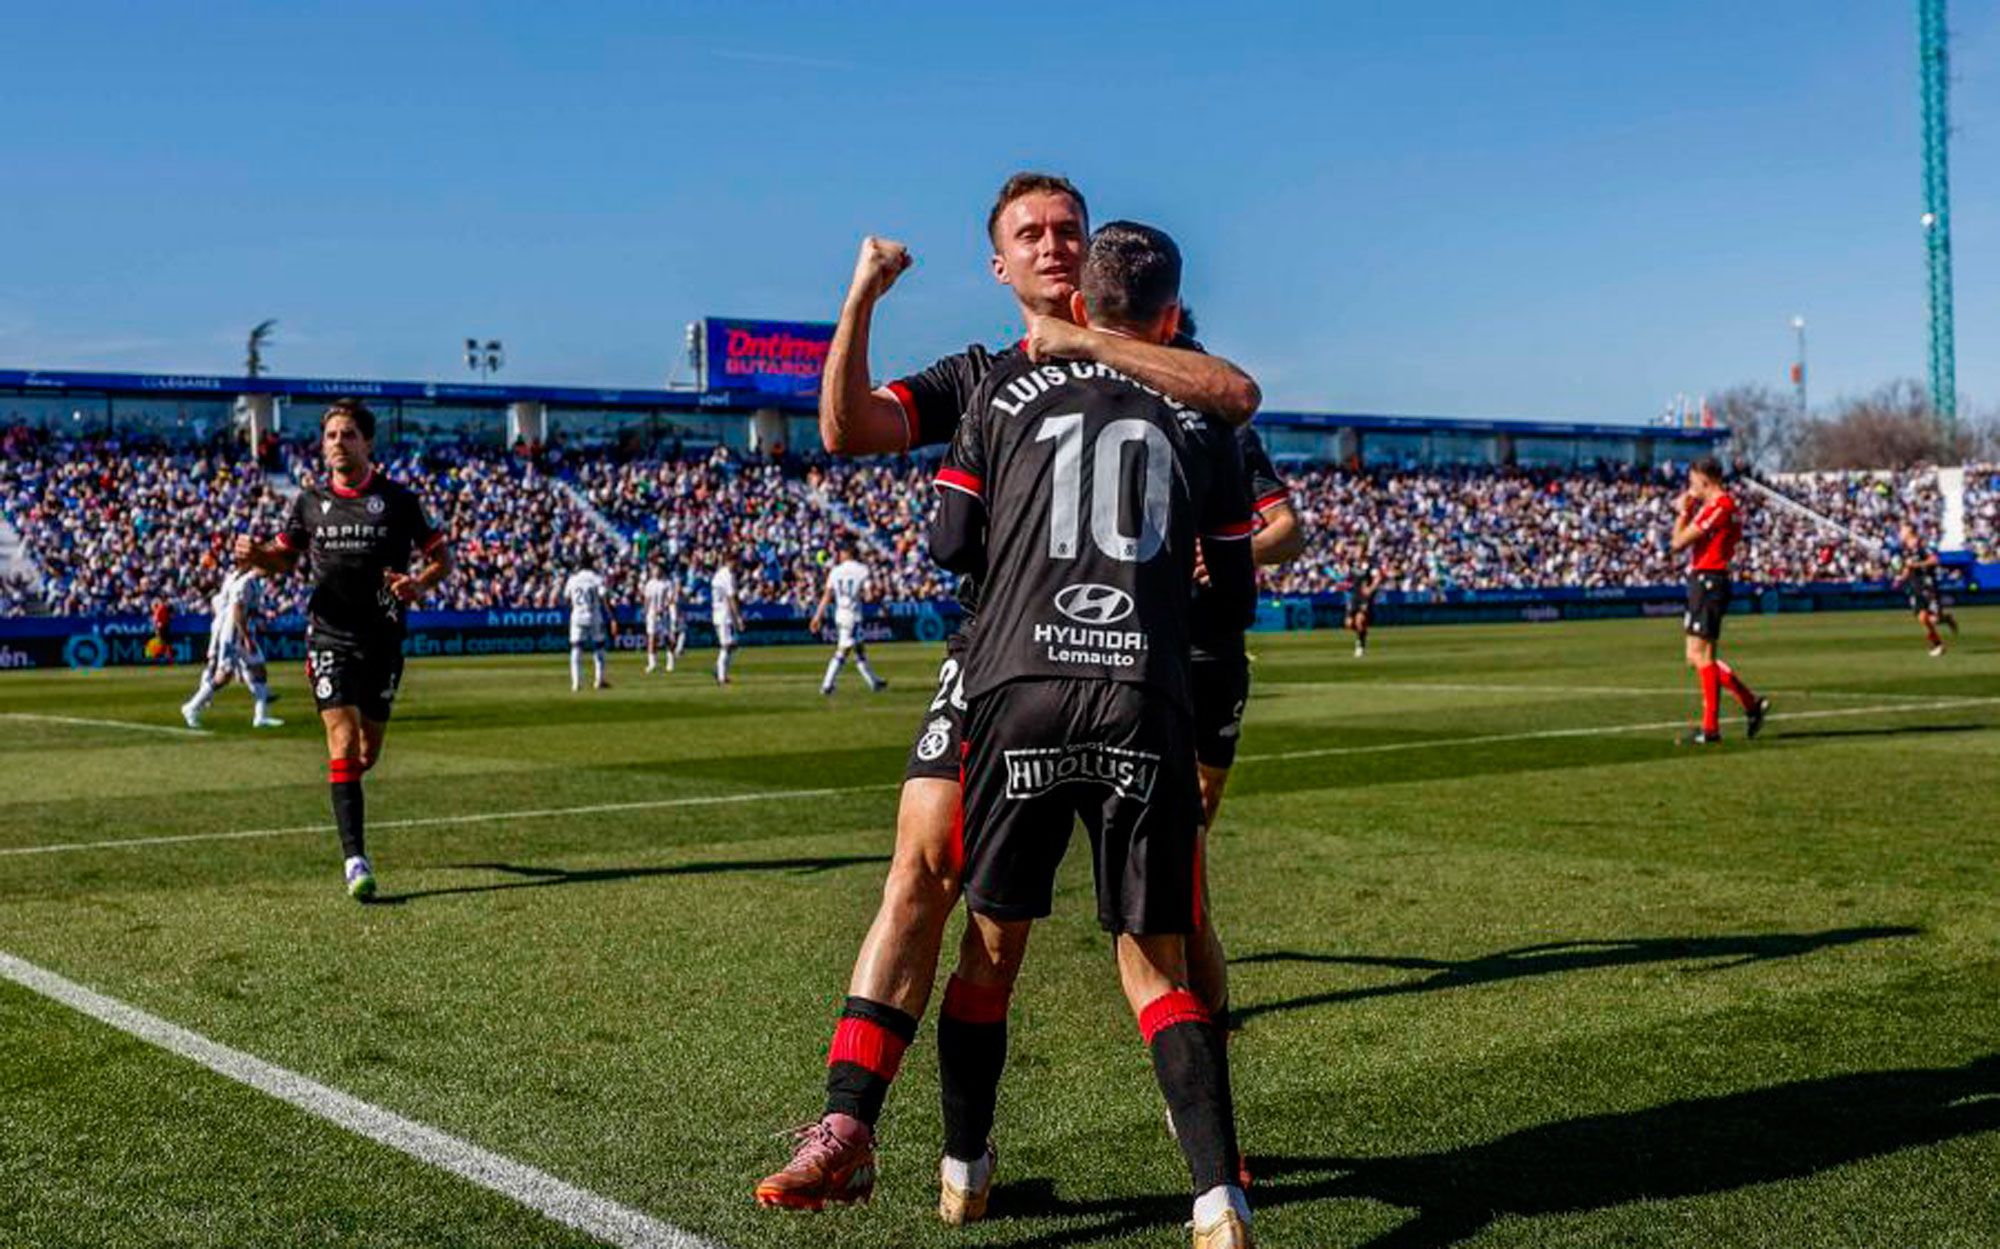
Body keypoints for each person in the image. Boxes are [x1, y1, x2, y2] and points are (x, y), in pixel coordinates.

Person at [757, 171, 1264, 1214]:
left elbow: (1233, 404)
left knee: (1172, 919)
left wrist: (1095, 349)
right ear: (998, 264)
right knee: (924, 872)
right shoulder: (977, 372)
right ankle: (848, 1122)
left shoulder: (1164, 368)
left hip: (1124, 664)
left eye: (1067, 229)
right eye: (1028, 233)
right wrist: (859, 301)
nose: (1052, 244)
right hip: (996, 662)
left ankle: (1207, 1139)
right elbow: (849, 430)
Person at [927, 222, 1259, 1247]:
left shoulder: (1000, 391)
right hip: (1139, 694)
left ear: (1081, 301)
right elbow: (1234, 597)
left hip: (1019, 684)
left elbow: (948, 542)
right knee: (1154, 961)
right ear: (1169, 315)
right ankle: (1217, 1199)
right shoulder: (1205, 417)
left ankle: (965, 1171)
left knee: (990, 948)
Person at [233, 398, 452, 900]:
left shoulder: (398, 500)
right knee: (341, 739)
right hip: (328, 636)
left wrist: (418, 584)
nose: (338, 442)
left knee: (366, 751)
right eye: (331, 435)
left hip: (385, 639)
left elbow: (442, 559)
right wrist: (258, 554)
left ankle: (347, 791)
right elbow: (282, 561)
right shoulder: (308, 502)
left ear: (368, 442)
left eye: (348, 434)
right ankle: (355, 857)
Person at [1185, 418, 1302, 1033]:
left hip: (1219, 648)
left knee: (1202, 805)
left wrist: (1232, 551)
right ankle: (1175, 949)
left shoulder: (1230, 435)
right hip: (1141, 642)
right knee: (1164, 814)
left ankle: (1183, 916)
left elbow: (1288, 533)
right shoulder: (1117, 412)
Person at [1669, 457, 1769, 745]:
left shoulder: (1720, 506)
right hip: (1705, 580)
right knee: (1695, 656)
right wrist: (1687, 511)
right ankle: (1751, 705)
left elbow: (1677, 543)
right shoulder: (1721, 507)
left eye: (1692, 482)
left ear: (1704, 479)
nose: (1690, 488)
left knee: (1703, 656)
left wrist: (1682, 513)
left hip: (1709, 580)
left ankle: (1711, 728)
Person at [181, 565, 283, 728]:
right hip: (233, 635)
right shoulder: (245, 583)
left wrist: (264, 616)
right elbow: (236, 610)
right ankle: (191, 707)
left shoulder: (255, 583)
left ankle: (260, 717)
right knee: (223, 677)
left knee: (259, 670)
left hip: (242, 633)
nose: (272, 570)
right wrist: (246, 638)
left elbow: (249, 610)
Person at [810, 543, 888, 695]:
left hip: (840, 614)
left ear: (846, 553)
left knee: (859, 650)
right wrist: (878, 599)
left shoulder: (835, 571)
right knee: (843, 651)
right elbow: (869, 596)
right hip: (853, 615)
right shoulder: (862, 570)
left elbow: (827, 595)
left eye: (840, 552)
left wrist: (817, 616)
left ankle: (874, 682)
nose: (838, 555)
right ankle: (827, 685)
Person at [1893, 522, 1958, 657]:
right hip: (1913, 587)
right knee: (1923, 618)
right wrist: (1900, 578)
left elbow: (1935, 560)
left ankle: (1946, 618)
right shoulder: (1905, 550)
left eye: (1902, 529)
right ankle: (1938, 645)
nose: (1900, 532)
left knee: (1934, 619)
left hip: (1927, 585)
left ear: (1910, 531)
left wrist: (1916, 564)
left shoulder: (1921, 545)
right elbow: (1907, 568)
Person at [563, 555, 614, 692]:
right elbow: (604, 598)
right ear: (591, 564)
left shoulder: (573, 579)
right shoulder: (596, 579)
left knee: (576, 649)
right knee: (599, 647)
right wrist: (611, 616)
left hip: (577, 616)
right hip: (594, 616)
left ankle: (576, 683)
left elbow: (566, 598)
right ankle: (599, 680)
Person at [1344, 546, 1384, 657]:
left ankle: (1360, 645)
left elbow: (1378, 578)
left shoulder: (1371, 565)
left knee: (1360, 621)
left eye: (1358, 551)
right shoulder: (1353, 563)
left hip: (1365, 597)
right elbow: (1346, 572)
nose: (1356, 553)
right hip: (1354, 596)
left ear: (1364, 553)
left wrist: (1370, 589)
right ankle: (1361, 634)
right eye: (1356, 551)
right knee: (1349, 624)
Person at [709, 553, 742, 686]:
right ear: (730, 561)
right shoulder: (726, 575)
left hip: (722, 614)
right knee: (726, 646)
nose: (737, 565)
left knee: (733, 645)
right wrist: (738, 617)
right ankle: (721, 677)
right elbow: (731, 598)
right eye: (736, 562)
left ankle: (719, 670)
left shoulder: (722, 574)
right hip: (723, 614)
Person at [642, 561, 680, 674]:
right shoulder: (649, 584)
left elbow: (671, 598)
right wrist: (645, 611)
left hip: (664, 614)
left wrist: (663, 608)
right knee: (651, 638)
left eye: (657, 569)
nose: (655, 571)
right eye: (654, 569)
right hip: (651, 614)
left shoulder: (667, 583)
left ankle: (670, 662)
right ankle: (652, 663)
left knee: (669, 638)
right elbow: (647, 599)